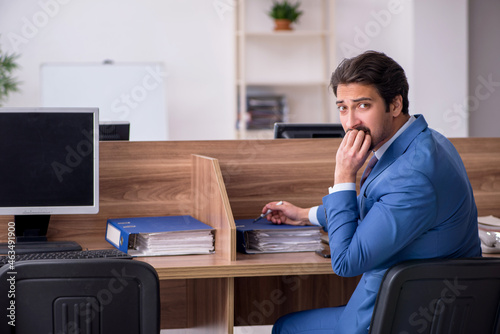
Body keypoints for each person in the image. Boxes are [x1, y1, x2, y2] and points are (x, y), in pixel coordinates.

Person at [261, 50, 481, 334]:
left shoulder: (412, 175)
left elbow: (345, 262)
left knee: (286, 326)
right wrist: (307, 215)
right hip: (429, 306)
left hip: (399, 318)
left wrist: (343, 176)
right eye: (342, 107)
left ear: (395, 104)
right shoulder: (427, 140)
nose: (350, 121)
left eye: (363, 105)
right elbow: (380, 207)